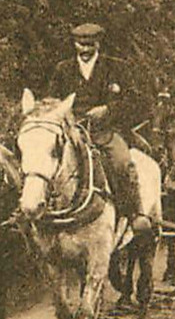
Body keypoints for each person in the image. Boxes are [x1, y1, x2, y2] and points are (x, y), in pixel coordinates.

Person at [48, 23, 149, 236]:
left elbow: (132, 100)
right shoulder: (62, 69)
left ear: (98, 44)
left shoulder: (116, 67)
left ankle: (135, 213)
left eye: (89, 45)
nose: (84, 50)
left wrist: (107, 109)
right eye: (80, 45)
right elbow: (52, 101)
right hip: (72, 131)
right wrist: (67, 119)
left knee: (122, 163)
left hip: (105, 132)